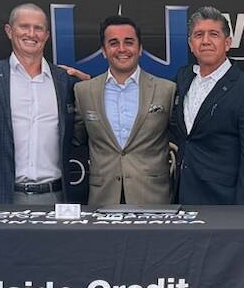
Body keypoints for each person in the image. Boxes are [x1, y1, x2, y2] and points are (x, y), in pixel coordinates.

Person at [0, 2, 88, 207]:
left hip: (56, 197)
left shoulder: (65, 81)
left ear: (46, 35)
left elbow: (83, 131)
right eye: (24, 26)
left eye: (38, 28)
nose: (31, 33)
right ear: (9, 31)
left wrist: (89, 85)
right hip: (2, 197)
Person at [73, 13, 177, 206]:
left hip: (153, 198)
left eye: (129, 42)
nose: (122, 49)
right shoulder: (83, 92)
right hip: (103, 198)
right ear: (103, 51)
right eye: (113, 43)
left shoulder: (166, 90)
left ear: (140, 49)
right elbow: (75, 139)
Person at [169, 6, 244, 205]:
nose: (205, 41)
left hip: (222, 201)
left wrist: (242, 212)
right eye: (198, 35)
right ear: (190, 44)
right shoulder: (183, 77)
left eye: (213, 34)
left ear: (228, 43)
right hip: (182, 198)